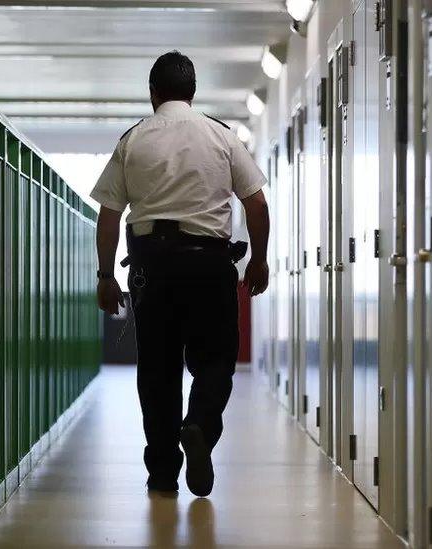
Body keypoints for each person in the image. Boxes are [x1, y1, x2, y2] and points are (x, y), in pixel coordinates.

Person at [89, 50, 270, 497]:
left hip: (152, 267)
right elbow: (257, 203)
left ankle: (163, 473)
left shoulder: (133, 139)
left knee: (157, 370)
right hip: (209, 264)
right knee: (214, 361)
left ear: (153, 94)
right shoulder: (221, 136)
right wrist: (259, 259)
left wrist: (105, 275)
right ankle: (200, 427)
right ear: (192, 92)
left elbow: (110, 213)